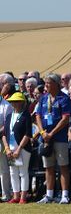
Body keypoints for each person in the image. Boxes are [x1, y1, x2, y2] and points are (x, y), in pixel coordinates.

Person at [35, 73, 71, 204]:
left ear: (56, 84)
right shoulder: (44, 98)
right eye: (45, 83)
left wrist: (52, 133)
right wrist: (42, 132)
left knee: (63, 166)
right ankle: (49, 194)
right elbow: (38, 116)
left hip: (60, 138)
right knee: (49, 167)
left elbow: (65, 119)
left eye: (48, 83)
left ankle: (64, 195)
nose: (46, 86)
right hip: (46, 138)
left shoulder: (64, 99)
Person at [2, 92, 31, 204]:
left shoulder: (26, 115)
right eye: (13, 102)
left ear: (22, 102)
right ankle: (16, 196)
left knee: (23, 173)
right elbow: (4, 134)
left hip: (22, 149)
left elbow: (28, 134)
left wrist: (19, 149)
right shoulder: (9, 116)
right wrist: (7, 148)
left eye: (18, 101)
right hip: (10, 149)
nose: (15, 104)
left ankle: (23, 197)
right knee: (13, 172)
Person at [0, 74, 14, 202]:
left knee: (4, 169)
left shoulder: (6, 105)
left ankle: (6, 194)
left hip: (2, 140)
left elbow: (7, 125)